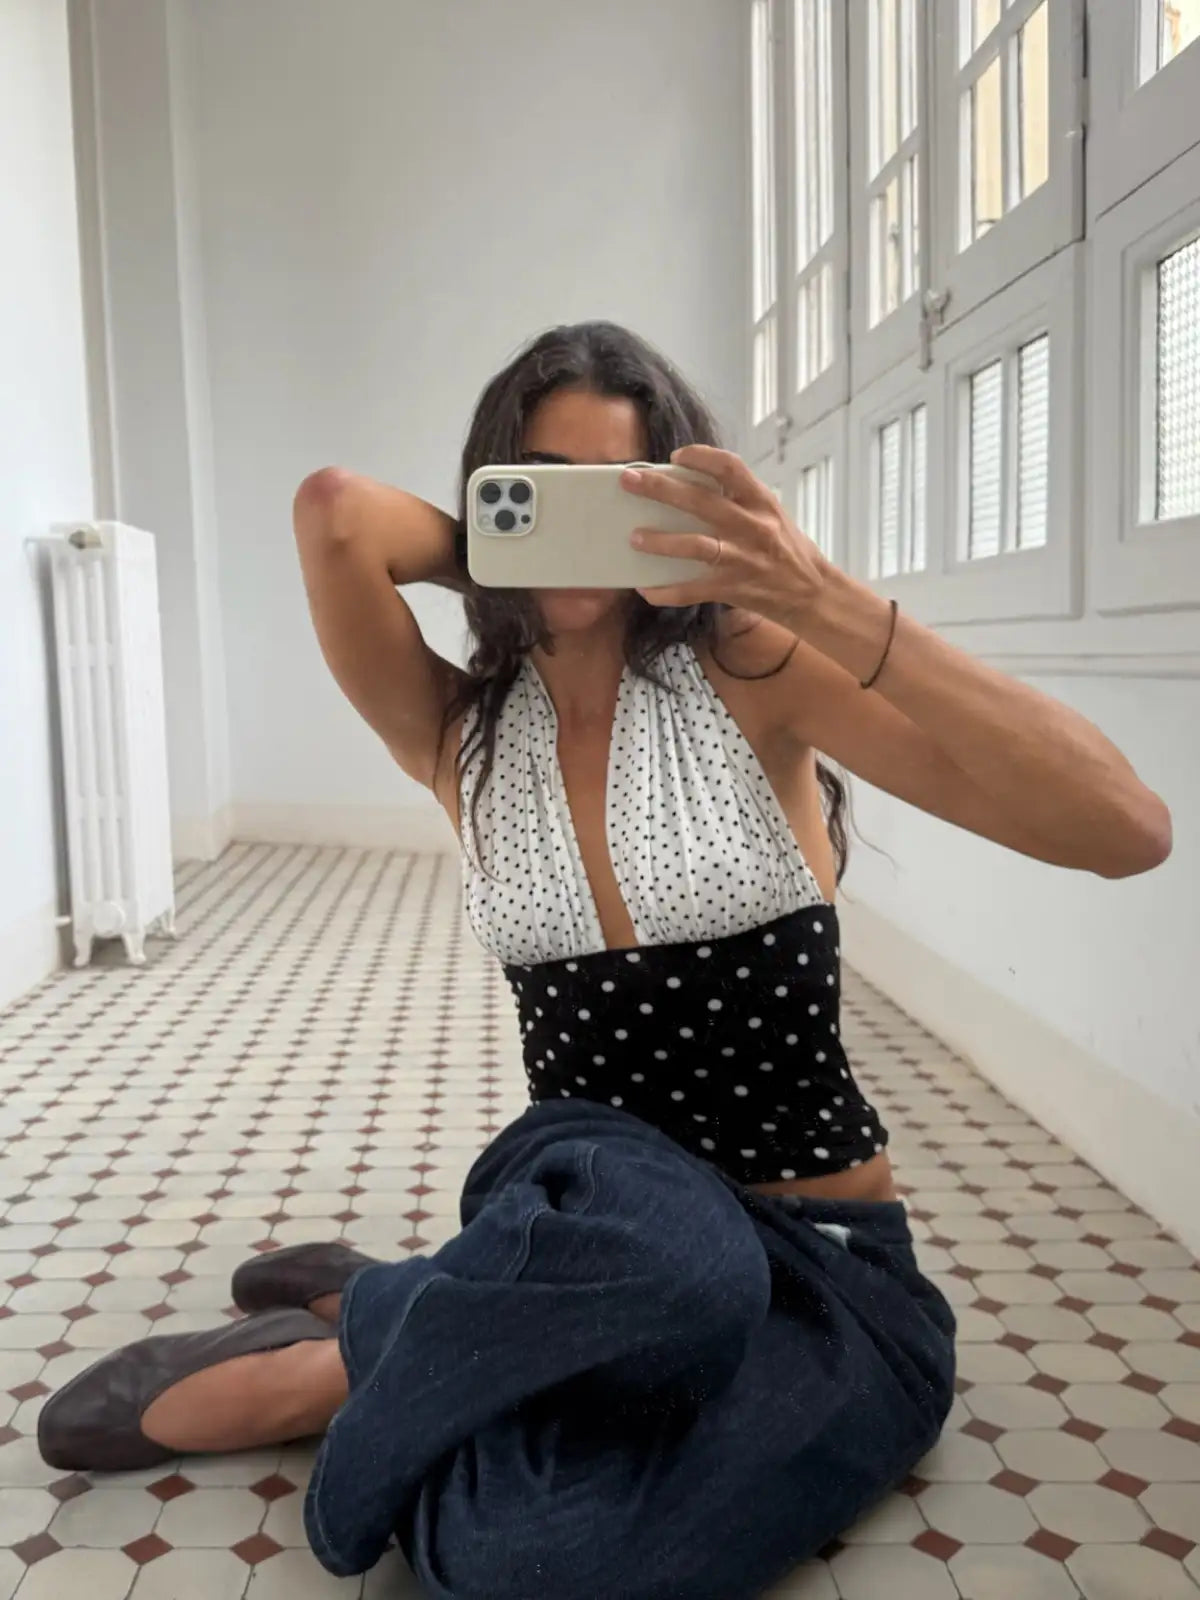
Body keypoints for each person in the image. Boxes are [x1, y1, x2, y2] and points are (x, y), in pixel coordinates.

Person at [39, 323, 1172, 1598]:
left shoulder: (755, 673)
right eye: (539, 478)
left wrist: (813, 591)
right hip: (602, 1216)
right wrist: (527, 542)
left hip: (826, 1264)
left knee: (532, 1556)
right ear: (489, 488)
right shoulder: (459, 732)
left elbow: (1124, 829)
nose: (577, 513)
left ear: (677, 498)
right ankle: (406, 1330)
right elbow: (339, 514)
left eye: (617, 487)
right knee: (677, 1258)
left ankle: (395, 1324)